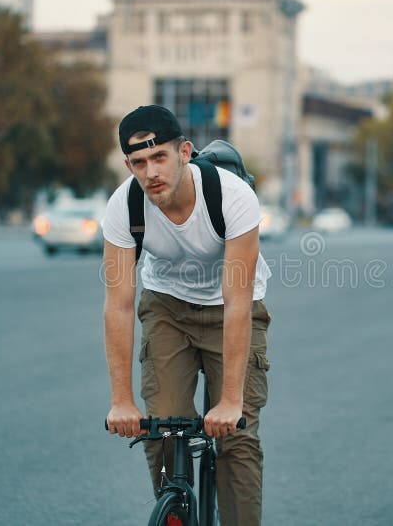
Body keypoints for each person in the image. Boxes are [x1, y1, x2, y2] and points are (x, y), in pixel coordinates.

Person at [102, 105, 272, 526]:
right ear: (128, 165)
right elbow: (119, 304)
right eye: (139, 162)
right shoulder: (123, 206)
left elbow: (237, 301)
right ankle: (174, 506)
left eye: (159, 156)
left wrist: (231, 401)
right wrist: (122, 400)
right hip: (167, 309)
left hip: (230, 308)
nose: (150, 171)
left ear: (184, 153)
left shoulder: (232, 197)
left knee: (236, 439)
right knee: (161, 434)